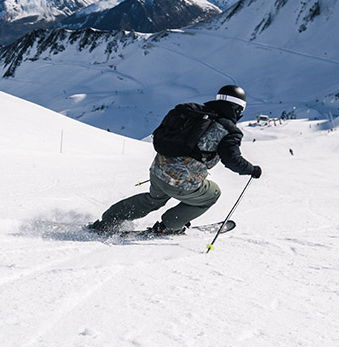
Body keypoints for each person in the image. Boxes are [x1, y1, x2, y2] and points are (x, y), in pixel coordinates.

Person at [88, 85, 262, 235]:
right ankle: (170, 226)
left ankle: (110, 219)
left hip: (157, 171)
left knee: (153, 199)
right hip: (181, 182)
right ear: (238, 109)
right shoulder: (229, 130)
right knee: (212, 194)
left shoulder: (194, 113)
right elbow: (232, 159)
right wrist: (251, 170)